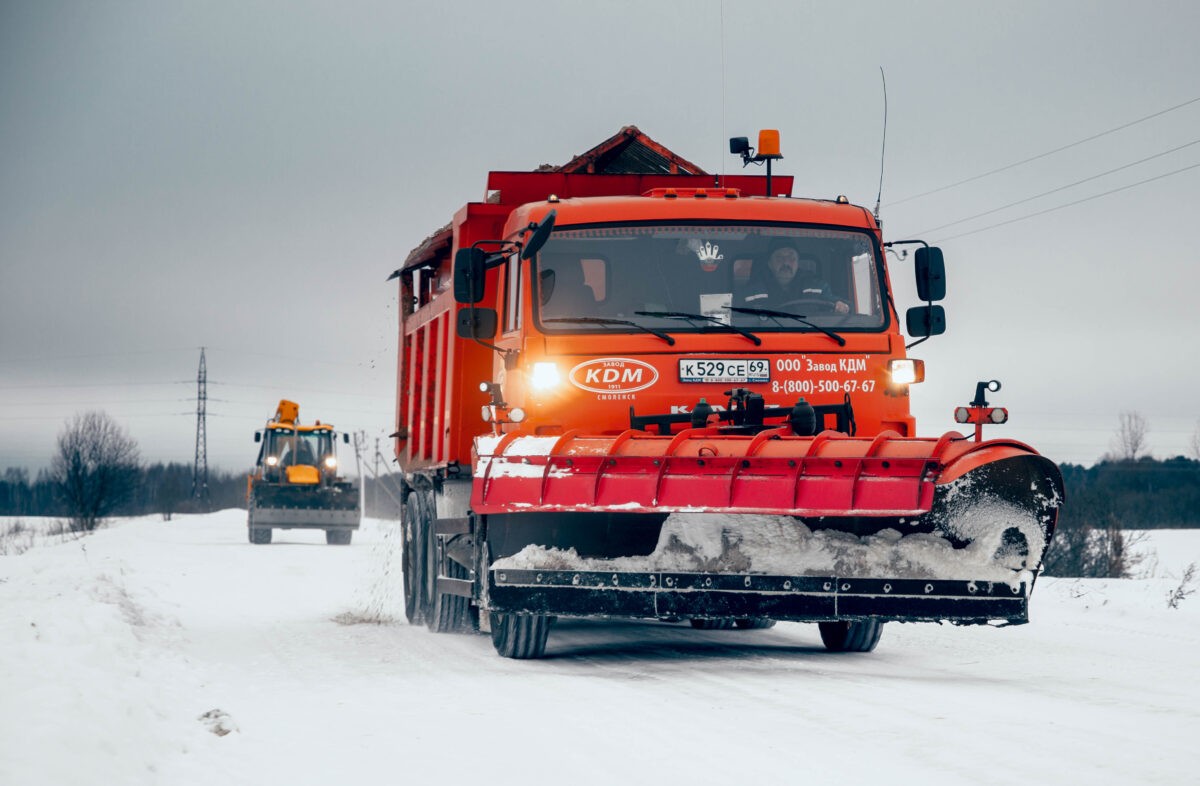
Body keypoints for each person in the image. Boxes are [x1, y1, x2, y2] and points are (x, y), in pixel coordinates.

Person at [741, 244, 849, 313]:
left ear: (798, 263)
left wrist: (842, 307)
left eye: (791, 257)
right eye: (779, 257)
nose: (786, 262)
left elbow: (843, 306)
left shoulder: (818, 288)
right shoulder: (750, 293)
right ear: (770, 264)